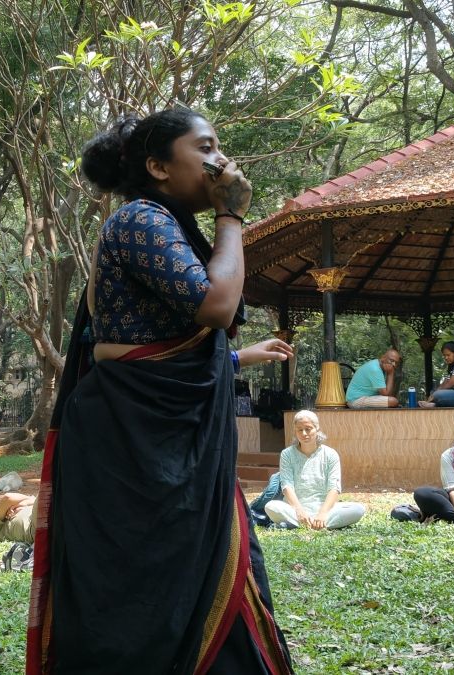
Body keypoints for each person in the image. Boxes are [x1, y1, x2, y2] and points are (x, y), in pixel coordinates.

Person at [27, 109, 294, 674]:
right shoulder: (139, 221)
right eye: (205, 147)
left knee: (219, 567)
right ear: (157, 166)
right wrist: (232, 215)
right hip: (130, 445)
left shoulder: (176, 226)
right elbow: (217, 306)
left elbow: (168, 339)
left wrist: (238, 357)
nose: (220, 160)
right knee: (131, 587)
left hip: (178, 443)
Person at [263, 410, 365, 530]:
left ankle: (308, 523)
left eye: (308, 428)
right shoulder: (287, 454)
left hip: (325, 509)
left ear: (317, 429)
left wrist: (322, 513)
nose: (304, 433)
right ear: (295, 432)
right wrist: (299, 510)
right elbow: (287, 486)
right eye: (299, 430)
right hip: (295, 509)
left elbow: (334, 488)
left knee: (358, 509)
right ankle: (315, 524)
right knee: (271, 506)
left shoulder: (330, 454)